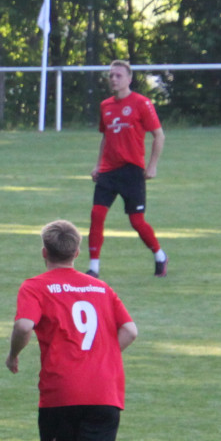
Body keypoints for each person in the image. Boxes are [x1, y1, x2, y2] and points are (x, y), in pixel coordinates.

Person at [5, 219, 138, 441]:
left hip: (61, 391)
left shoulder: (35, 286)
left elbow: (23, 325)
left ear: (44, 253)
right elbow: (131, 330)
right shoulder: (101, 288)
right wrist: (101, 360)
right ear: (77, 252)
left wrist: (14, 354)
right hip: (106, 391)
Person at [85, 60, 167, 278]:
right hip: (109, 171)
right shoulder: (105, 106)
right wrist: (98, 165)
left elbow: (159, 135)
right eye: (111, 75)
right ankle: (94, 267)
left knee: (136, 221)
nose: (114, 79)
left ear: (129, 79)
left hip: (132, 171)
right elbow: (106, 137)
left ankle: (159, 255)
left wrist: (152, 165)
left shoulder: (142, 103)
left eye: (118, 75)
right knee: (97, 214)